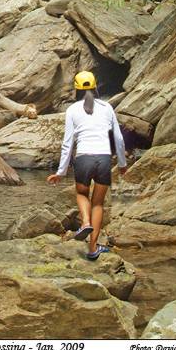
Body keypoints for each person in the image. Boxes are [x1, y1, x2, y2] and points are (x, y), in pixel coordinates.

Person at [47, 71, 127, 260]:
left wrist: (60, 172)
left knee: (82, 194)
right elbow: (119, 138)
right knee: (98, 203)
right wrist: (122, 164)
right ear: (94, 87)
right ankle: (92, 248)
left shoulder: (72, 110)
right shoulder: (107, 107)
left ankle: (86, 223)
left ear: (76, 89)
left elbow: (68, 143)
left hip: (83, 159)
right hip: (104, 158)